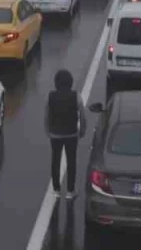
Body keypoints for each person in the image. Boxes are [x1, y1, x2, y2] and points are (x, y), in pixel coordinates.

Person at [44, 69, 88, 199]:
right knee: (71, 161)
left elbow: (46, 115)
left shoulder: (50, 96)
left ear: (56, 83)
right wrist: (82, 130)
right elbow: (83, 115)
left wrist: (47, 130)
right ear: (71, 82)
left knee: (55, 160)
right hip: (71, 134)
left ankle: (56, 189)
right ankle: (70, 190)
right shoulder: (76, 96)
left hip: (55, 134)